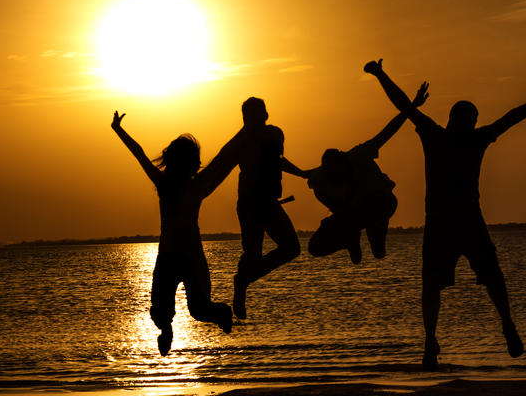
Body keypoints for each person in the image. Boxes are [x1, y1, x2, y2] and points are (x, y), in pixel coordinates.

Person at [364, 59, 526, 371]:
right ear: (451, 119)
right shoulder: (434, 134)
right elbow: (404, 105)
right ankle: (430, 341)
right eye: (464, 121)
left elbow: (510, 119)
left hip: (470, 220)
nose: (467, 127)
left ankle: (507, 324)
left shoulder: (476, 138)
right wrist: (380, 75)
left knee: (493, 275)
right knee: (430, 284)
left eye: (471, 122)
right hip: (440, 222)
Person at [111, 111, 247, 356]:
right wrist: (118, 130)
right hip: (172, 258)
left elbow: (224, 155)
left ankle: (220, 314)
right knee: (161, 312)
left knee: (199, 311)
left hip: (189, 258)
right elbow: (139, 154)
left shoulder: (192, 185)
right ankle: (167, 331)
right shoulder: (169, 183)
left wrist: (246, 129)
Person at [307, 101, 425, 264]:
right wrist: (340, 209)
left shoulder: (359, 155)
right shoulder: (318, 178)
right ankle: (350, 241)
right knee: (314, 247)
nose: (335, 179)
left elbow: (387, 133)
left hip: (381, 201)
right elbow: (317, 190)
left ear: (344, 163)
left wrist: (411, 107)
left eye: (337, 173)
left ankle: (377, 236)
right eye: (330, 176)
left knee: (375, 207)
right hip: (350, 213)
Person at [232, 97, 312, 319]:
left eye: (259, 113)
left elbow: (277, 161)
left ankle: (243, 280)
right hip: (249, 203)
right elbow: (224, 164)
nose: (255, 118)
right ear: (244, 119)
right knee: (253, 255)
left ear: (265, 115)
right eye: (249, 115)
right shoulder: (241, 143)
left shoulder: (274, 134)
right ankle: (242, 284)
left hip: (268, 201)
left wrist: (303, 173)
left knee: (291, 248)